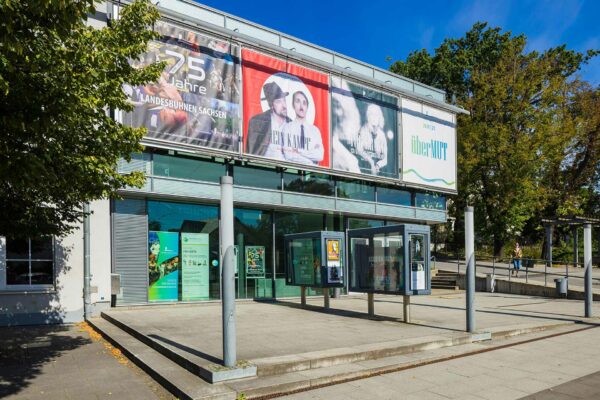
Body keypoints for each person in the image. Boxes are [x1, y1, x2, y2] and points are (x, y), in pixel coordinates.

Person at [246, 81, 290, 158]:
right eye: (278, 102)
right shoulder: (257, 122)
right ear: (271, 105)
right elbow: (251, 150)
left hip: (290, 168)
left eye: (284, 100)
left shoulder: (293, 124)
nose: (284, 106)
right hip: (265, 167)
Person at [281, 91, 324, 165]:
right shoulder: (287, 128)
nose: (301, 106)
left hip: (310, 174)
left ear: (307, 107)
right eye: (298, 101)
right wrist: (310, 160)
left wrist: (298, 150)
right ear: (293, 105)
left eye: (304, 103)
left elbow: (320, 156)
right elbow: (288, 155)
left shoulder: (315, 131)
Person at [356, 104, 388, 175]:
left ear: (380, 117)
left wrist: (377, 165)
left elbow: (385, 159)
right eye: (371, 114)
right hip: (363, 170)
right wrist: (371, 162)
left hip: (378, 174)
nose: (374, 117)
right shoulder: (362, 131)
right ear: (368, 116)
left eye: (376, 115)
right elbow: (359, 150)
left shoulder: (382, 135)